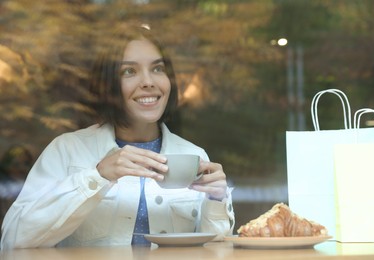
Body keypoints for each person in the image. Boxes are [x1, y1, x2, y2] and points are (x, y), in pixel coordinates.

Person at [0, 24, 234, 250]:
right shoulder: (67, 150)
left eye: (157, 69)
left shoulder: (194, 157)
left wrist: (216, 199)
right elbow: (13, 240)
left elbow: (216, 250)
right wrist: (98, 176)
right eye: (129, 71)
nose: (148, 82)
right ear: (109, 84)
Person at [0, 145, 33, 237]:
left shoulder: (30, 182)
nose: (22, 168)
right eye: (16, 164)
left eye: (26, 163)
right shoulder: (3, 183)